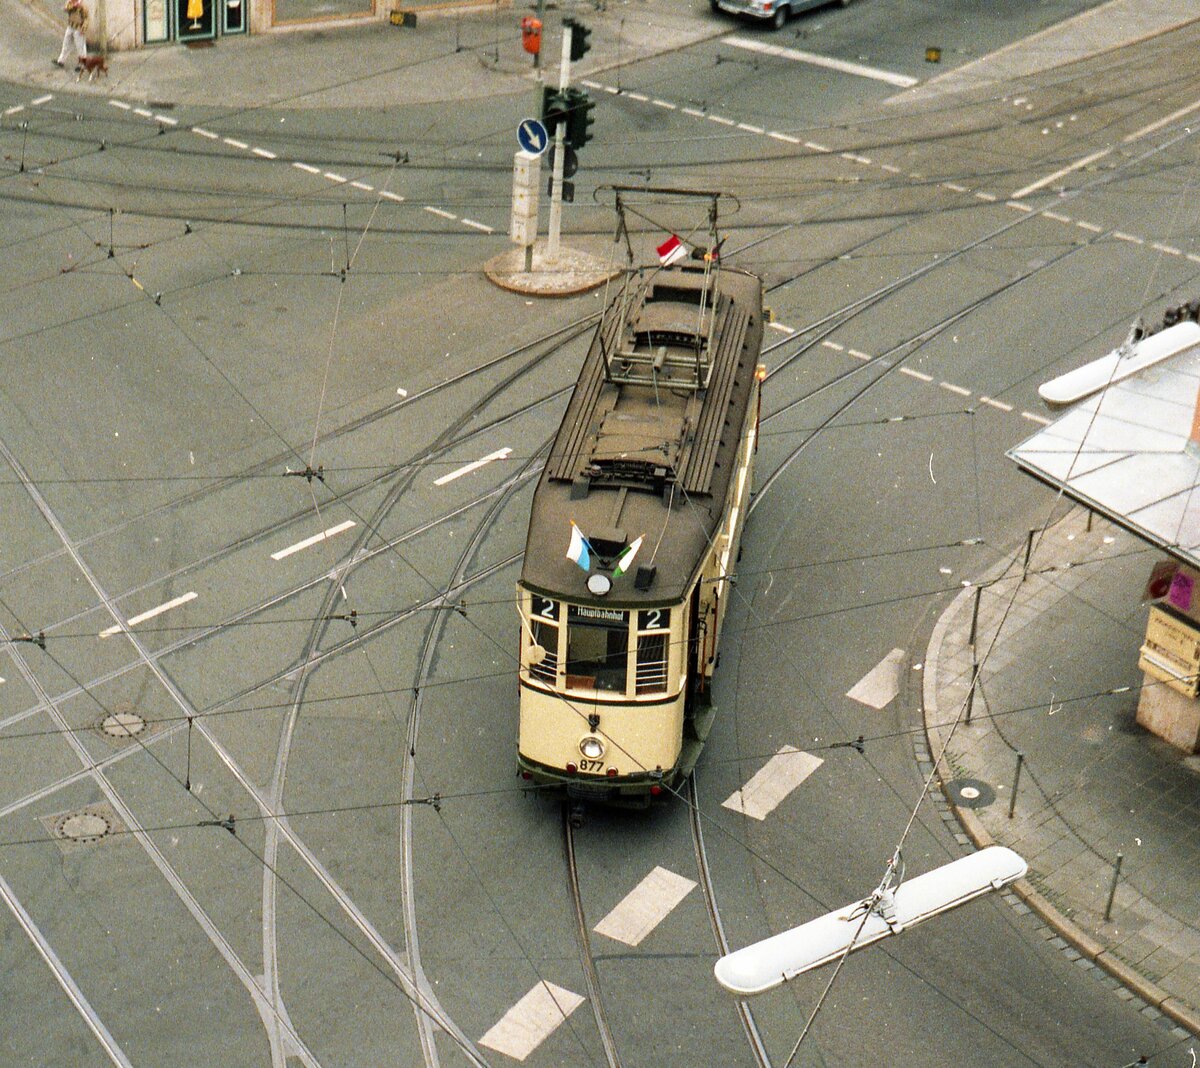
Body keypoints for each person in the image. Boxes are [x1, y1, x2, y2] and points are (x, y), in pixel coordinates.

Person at [53, 0, 88, 69]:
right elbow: (65, 9)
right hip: (70, 26)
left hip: (78, 28)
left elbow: (86, 18)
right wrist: (72, 5)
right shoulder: (70, 4)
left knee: (80, 47)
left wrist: (83, 29)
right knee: (66, 44)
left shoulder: (82, 7)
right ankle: (61, 60)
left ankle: (82, 64)